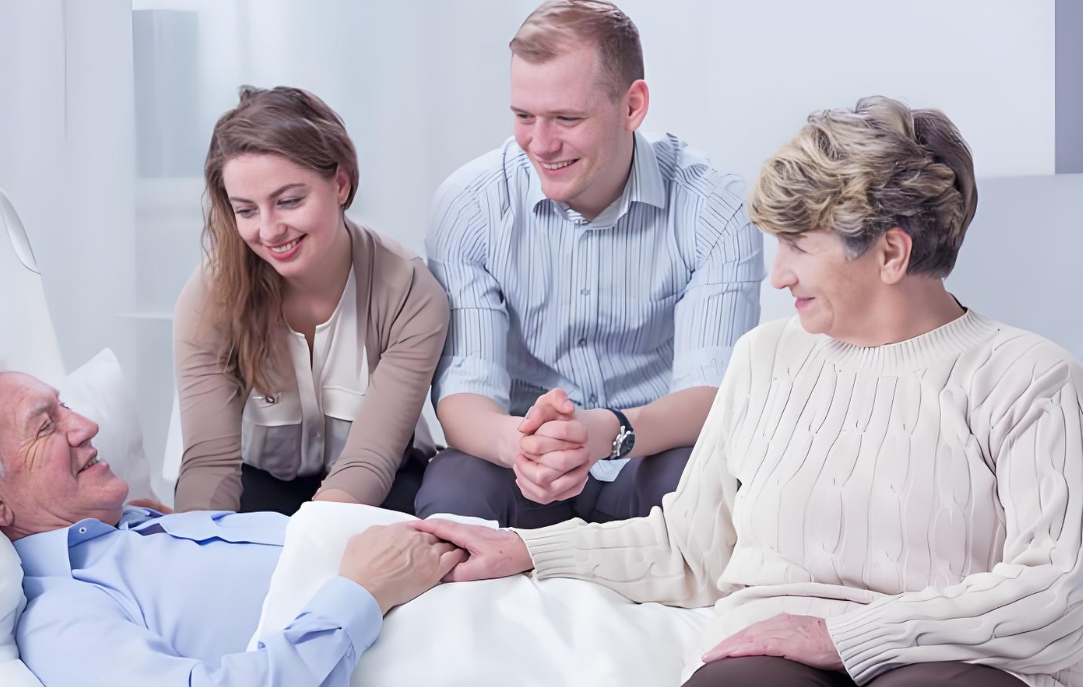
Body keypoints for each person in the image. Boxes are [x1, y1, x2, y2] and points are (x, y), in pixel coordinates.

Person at [415, 96, 1083, 687]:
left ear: (891, 254)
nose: (778, 276)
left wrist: (842, 637)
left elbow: (1059, 587)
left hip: (955, 658)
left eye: (797, 245)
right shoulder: (766, 358)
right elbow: (689, 546)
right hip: (767, 651)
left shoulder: (1028, 378)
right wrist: (527, 549)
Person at [416, 0, 764, 527]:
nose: (541, 143)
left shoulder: (716, 208)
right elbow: (466, 391)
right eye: (524, 116)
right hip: (522, 459)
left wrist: (605, 432)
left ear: (632, 106)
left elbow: (713, 392)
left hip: (648, 448)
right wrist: (521, 447)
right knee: (454, 494)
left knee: (709, 489)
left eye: (567, 118)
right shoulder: (469, 204)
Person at [0, 371, 464, 686]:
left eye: (66, 405)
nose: (86, 425)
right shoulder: (63, 616)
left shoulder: (142, 527)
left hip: (474, 587)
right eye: (46, 425)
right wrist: (360, 594)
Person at [173, 86, 449, 515]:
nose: (269, 230)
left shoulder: (409, 290)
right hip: (258, 484)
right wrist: (201, 552)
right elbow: (209, 465)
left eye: (288, 201)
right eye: (246, 210)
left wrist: (309, 548)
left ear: (340, 183)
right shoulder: (209, 294)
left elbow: (368, 462)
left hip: (381, 486)